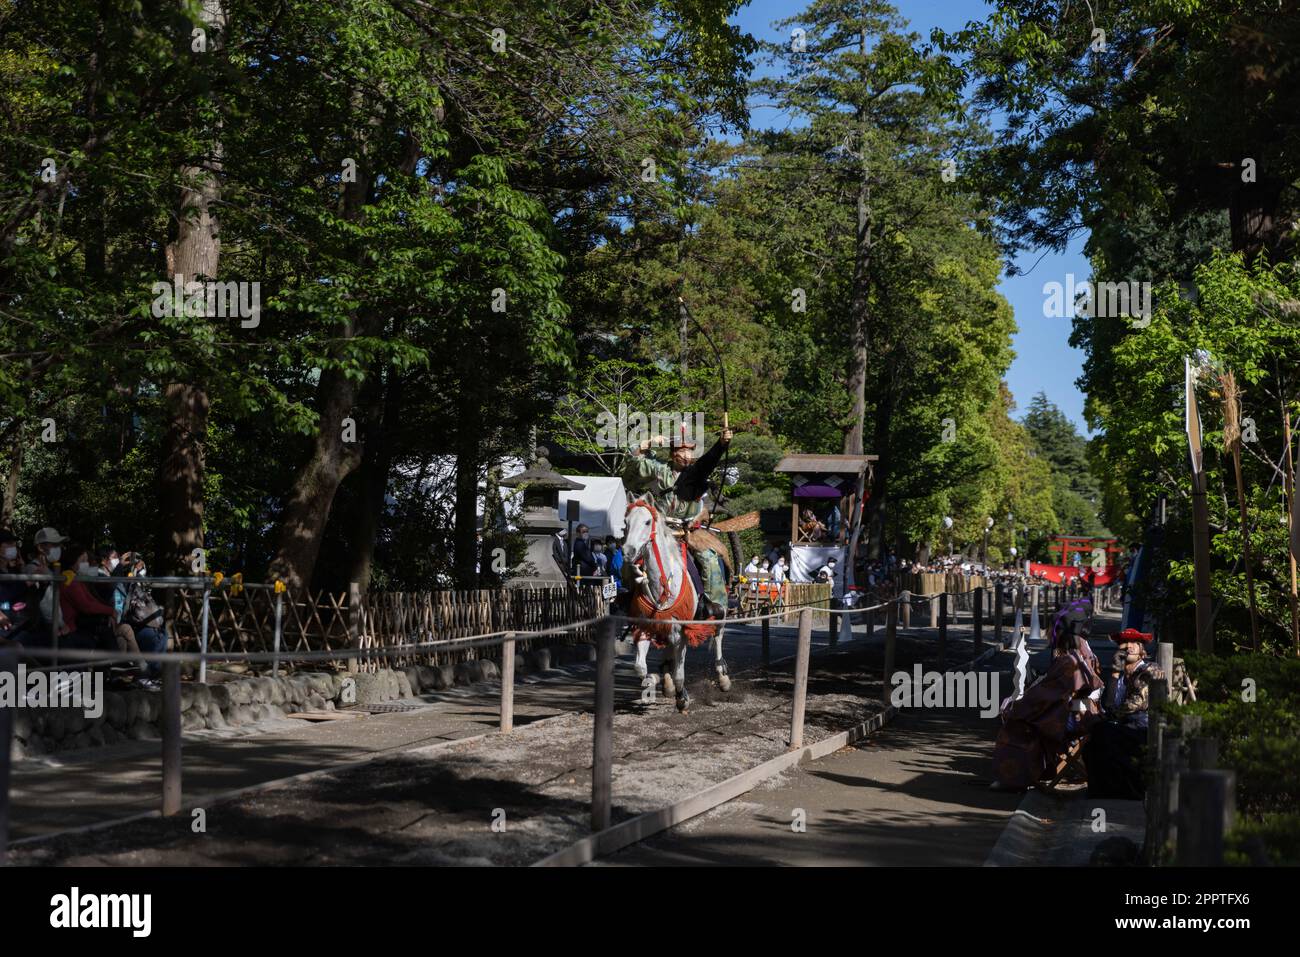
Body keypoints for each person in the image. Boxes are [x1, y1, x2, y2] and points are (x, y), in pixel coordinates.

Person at [620, 425, 733, 620]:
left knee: (710, 559)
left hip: (689, 530)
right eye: (683, 450)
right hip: (661, 529)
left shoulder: (697, 472)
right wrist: (645, 443)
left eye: (691, 450)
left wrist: (721, 444)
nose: (688, 455)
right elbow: (634, 461)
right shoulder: (659, 469)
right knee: (632, 557)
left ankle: (711, 604)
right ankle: (628, 598)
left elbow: (709, 460)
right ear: (673, 454)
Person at [992, 611, 1103, 790]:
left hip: (1072, 717)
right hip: (1078, 712)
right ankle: (1030, 774)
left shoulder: (1069, 662)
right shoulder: (1076, 656)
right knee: (1023, 715)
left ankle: (1016, 779)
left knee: (1019, 724)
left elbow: (1048, 694)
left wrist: (1022, 703)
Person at [1082, 628, 1162, 798]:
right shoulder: (1120, 676)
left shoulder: (1150, 670)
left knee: (1102, 732)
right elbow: (1108, 704)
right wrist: (1115, 673)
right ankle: (1107, 790)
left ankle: (1128, 790)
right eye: (1125, 643)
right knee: (1091, 743)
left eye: (1135, 643)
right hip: (1125, 726)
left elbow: (1136, 704)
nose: (1129, 647)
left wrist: (1111, 716)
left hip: (1144, 729)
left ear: (1142, 651)